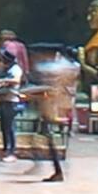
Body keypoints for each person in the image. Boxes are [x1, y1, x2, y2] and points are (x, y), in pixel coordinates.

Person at [34, 50, 76, 181]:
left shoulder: (60, 68)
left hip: (54, 106)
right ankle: (57, 170)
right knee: (49, 138)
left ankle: (58, 171)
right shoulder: (65, 67)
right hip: (55, 105)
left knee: (51, 140)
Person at [0, 29, 27, 160]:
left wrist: (5, 81)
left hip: (11, 100)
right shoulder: (5, 69)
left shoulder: (15, 69)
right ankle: (6, 148)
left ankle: (12, 151)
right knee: (4, 126)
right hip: (3, 99)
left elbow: (16, 80)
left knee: (10, 126)